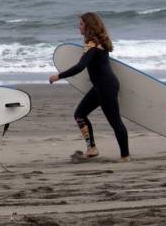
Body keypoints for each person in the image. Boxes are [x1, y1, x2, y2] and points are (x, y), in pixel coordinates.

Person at [49, 12, 130, 162]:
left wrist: (59, 76)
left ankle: (125, 156)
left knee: (115, 122)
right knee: (80, 114)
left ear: (89, 26)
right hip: (101, 86)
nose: (78, 27)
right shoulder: (99, 42)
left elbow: (80, 67)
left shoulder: (92, 44)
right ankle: (91, 148)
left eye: (81, 24)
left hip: (106, 87)